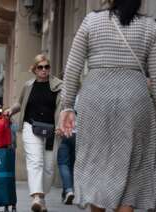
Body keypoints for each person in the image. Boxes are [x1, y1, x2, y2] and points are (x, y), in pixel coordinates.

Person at [59, 0, 156, 211]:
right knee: (132, 166)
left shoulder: (91, 21)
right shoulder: (150, 26)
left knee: (96, 162)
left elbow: (73, 67)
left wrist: (67, 106)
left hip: (95, 98)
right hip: (135, 99)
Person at [4, 54, 62, 212]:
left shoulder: (58, 86)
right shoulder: (28, 85)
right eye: (40, 67)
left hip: (52, 130)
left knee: (49, 168)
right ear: (34, 69)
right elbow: (20, 103)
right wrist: (11, 110)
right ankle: (36, 196)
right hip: (31, 127)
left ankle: (42, 197)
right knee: (35, 161)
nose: (44, 70)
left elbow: (63, 109)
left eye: (46, 67)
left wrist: (61, 125)